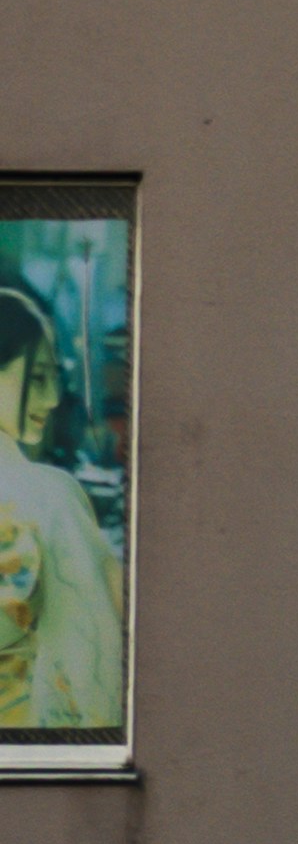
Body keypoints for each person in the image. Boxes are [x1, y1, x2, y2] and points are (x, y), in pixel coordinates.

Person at [0, 272, 127, 743]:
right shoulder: (46, 495)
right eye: (36, 377)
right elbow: (94, 658)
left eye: (56, 379)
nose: (53, 399)